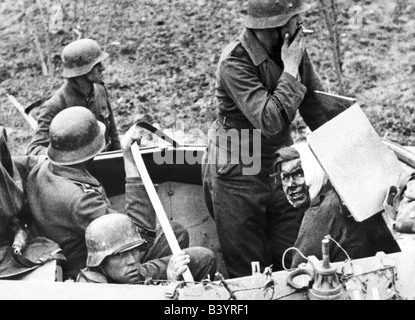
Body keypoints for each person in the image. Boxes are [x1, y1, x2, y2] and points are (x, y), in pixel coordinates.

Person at [202, 0, 329, 278]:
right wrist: (290, 70)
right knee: (249, 269)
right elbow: (269, 121)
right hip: (238, 168)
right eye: (296, 20)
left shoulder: (291, 52)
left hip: (279, 163)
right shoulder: (234, 61)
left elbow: (316, 107)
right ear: (276, 28)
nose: (301, 26)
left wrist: (342, 148)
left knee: (292, 254)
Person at [27, 107, 216, 281]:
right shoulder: (80, 200)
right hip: (101, 271)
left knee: (175, 232)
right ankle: (145, 285)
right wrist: (130, 162)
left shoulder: (42, 169)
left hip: (93, 253)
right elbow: (141, 234)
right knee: (203, 258)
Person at [273, 144, 401, 268]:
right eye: (285, 177)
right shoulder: (342, 192)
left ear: (314, 170)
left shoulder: (323, 209)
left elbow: (296, 274)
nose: (290, 184)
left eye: (299, 174)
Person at [27, 38, 120, 156]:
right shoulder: (55, 105)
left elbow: (113, 134)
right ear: (81, 70)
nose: (102, 68)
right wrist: (65, 157)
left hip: (104, 162)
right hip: (75, 170)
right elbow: (34, 150)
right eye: (96, 64)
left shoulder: (100, 90)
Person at [77, 214, 216, 284]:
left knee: (204, 257)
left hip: (131, 280)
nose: (132, 261)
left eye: (134, 250)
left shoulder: (125, 271)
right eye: (120, 255)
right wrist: (170, 286)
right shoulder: (93, 290)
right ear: (100, 263)